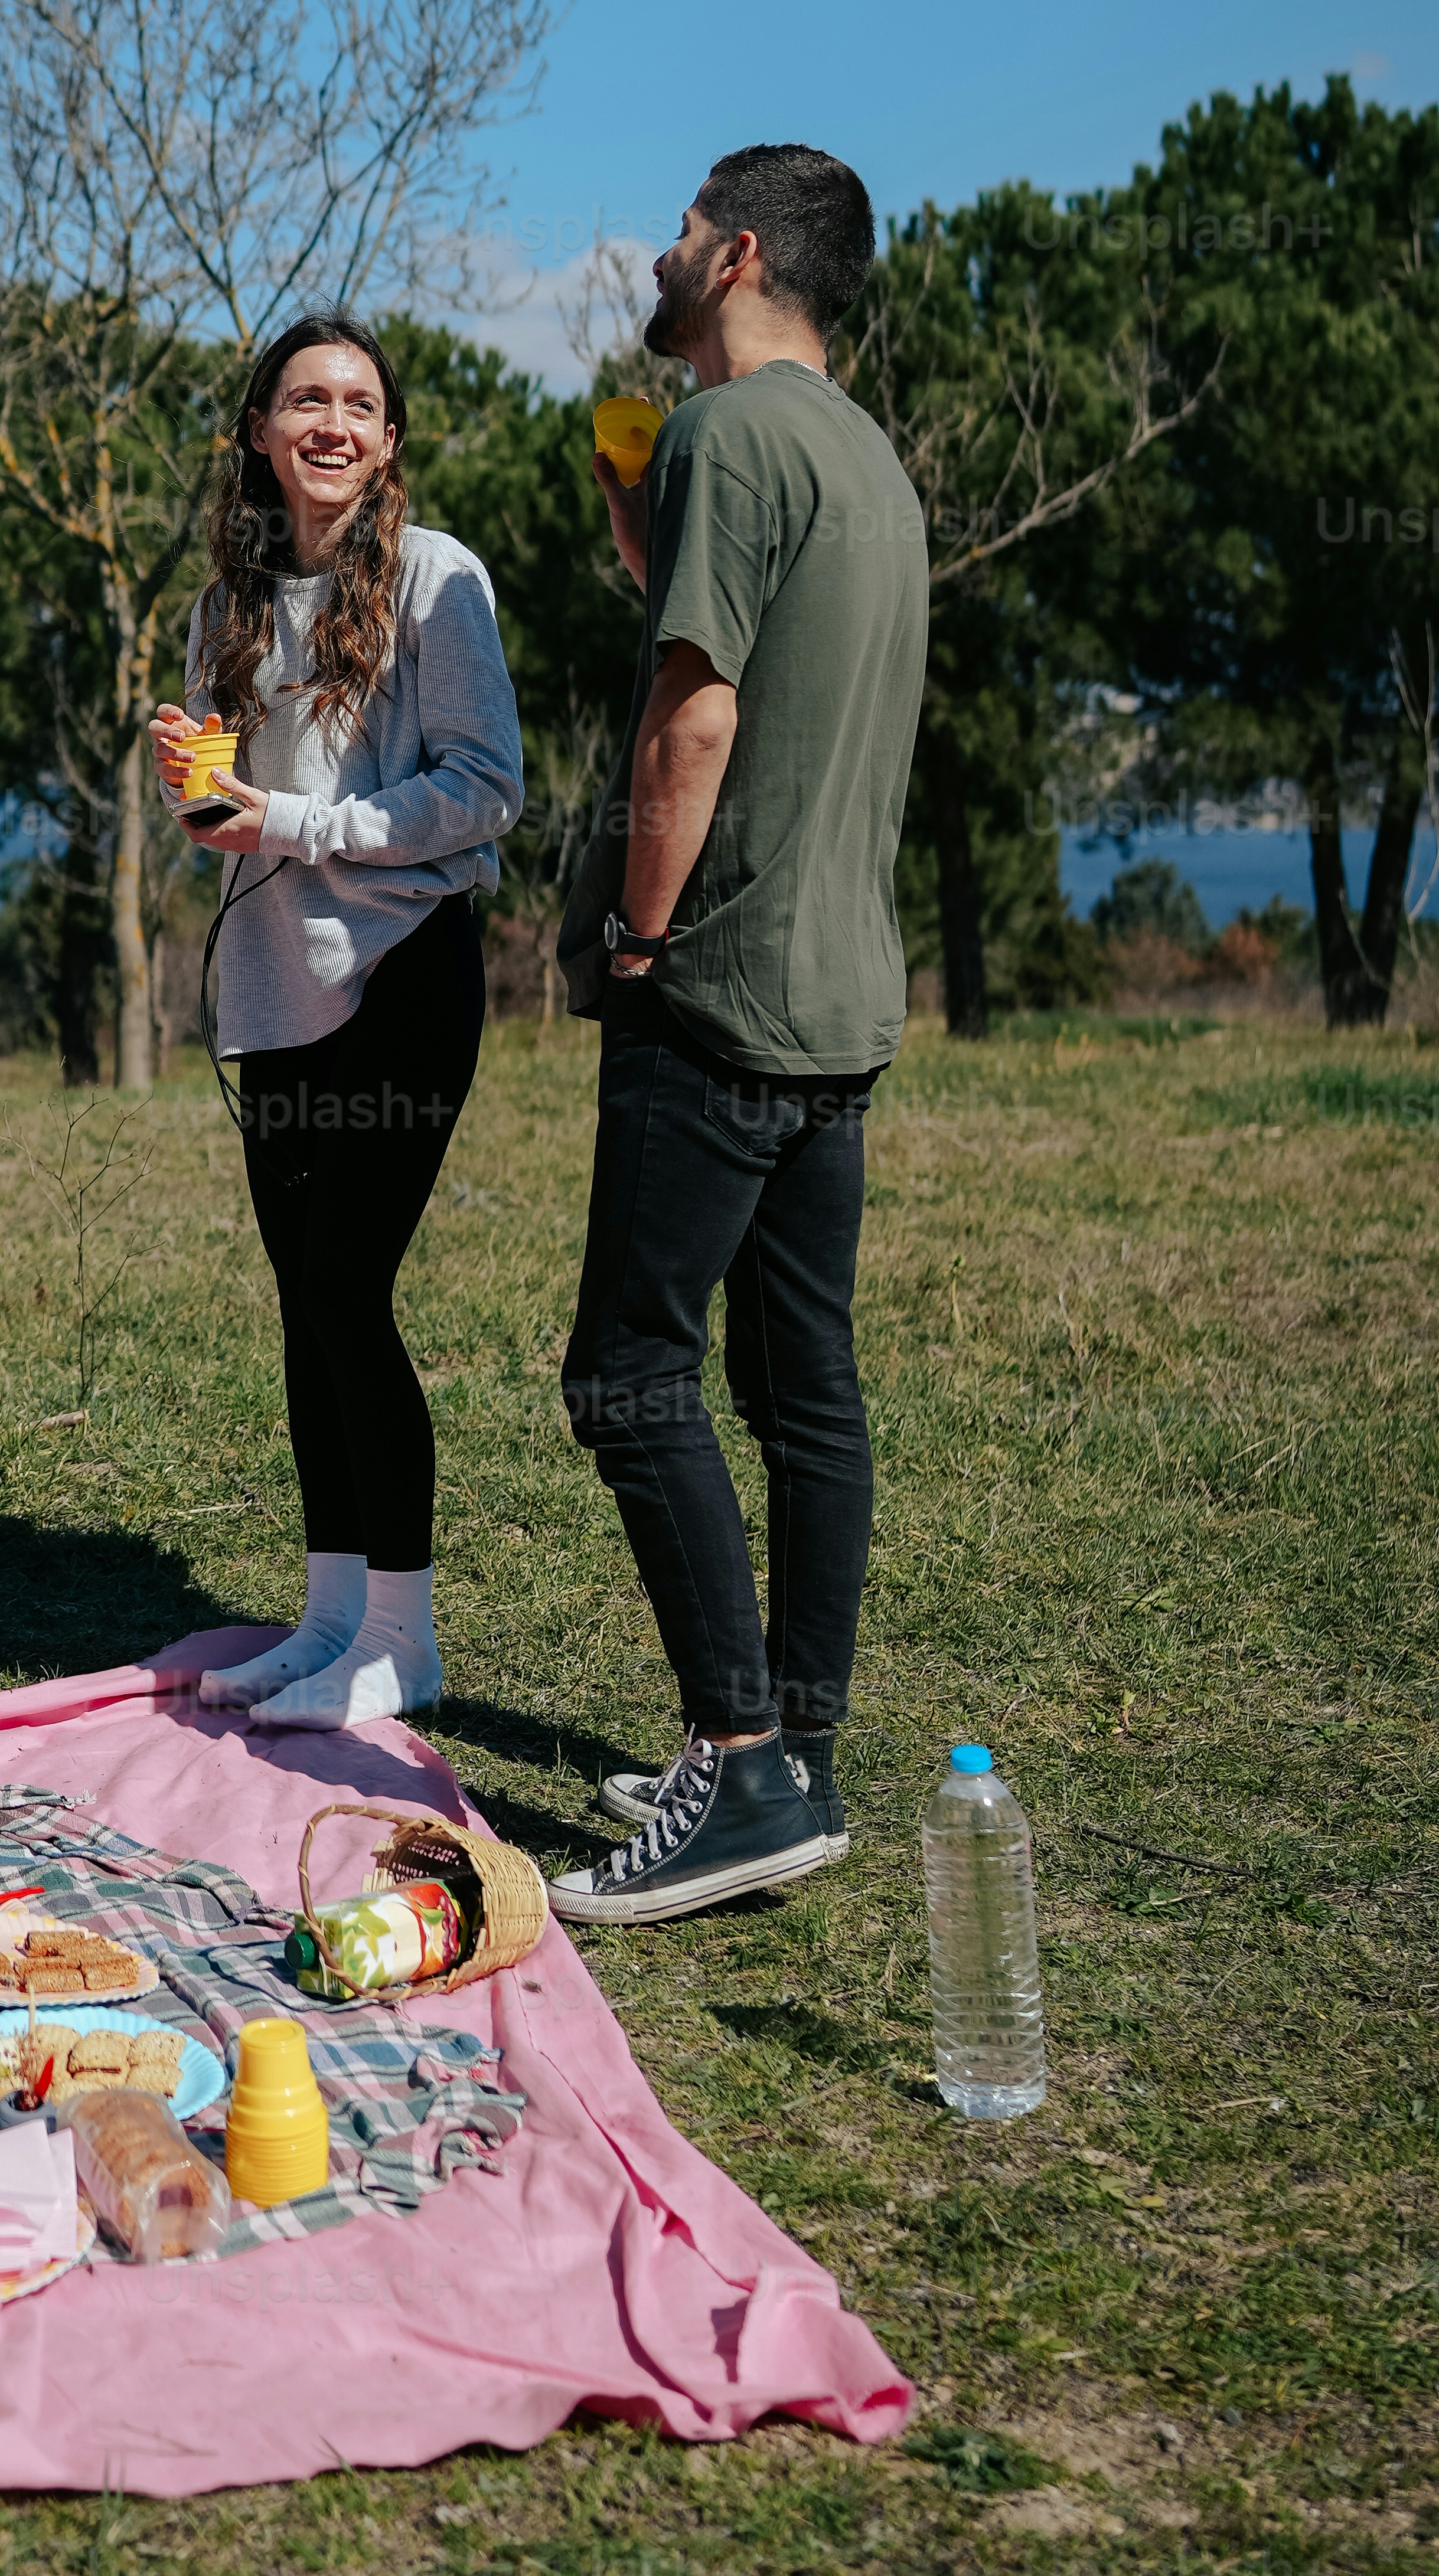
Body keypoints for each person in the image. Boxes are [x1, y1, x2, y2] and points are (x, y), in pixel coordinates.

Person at [549, 143, 928, 1926]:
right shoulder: (861, 454)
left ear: (736, 250)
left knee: (626, 1370)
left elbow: (687, 733)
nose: (664, 245)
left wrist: (632, 933)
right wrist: (654, 567)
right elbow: (769, 679)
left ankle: (735, 1763)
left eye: (685, 221)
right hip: (844, 992)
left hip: (717, 987)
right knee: (801, 1389)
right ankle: (800, 1746)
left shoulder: (720, 434)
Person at [149, 313, 523, 1730]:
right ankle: (325, 1621)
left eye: (359, 403)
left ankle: (402, 1638)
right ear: (257, 428)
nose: (332, 420)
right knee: (306, 1308)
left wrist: (291, 816)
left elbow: (487, 785)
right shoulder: (223, 604)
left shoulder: (435, 580)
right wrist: (203, 783)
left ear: (387, 440)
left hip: (403, 975)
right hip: (270, 987)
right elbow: (229, 811)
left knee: (352, 1295)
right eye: (304, 396)